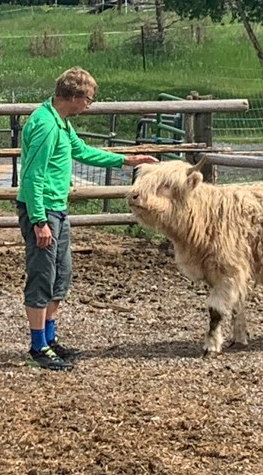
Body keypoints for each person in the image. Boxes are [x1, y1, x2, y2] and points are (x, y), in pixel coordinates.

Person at [16, 66, 158, 370]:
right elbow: (32, 176)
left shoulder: (61, 123)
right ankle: (38, 346)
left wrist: (126, 159)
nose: (89, 105)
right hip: (43, 210)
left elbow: (82, 151)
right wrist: (39, 220)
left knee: (60, 274)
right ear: (75, 96)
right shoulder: (45, 125)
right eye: (89, 99)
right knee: (42, 276)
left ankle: (50, 339)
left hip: (57, 208)